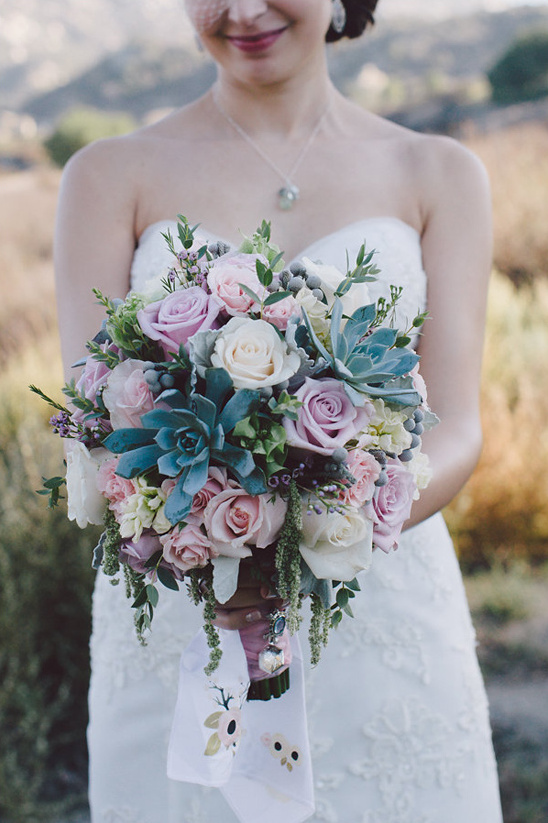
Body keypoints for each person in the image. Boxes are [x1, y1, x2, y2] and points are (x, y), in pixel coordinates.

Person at [54, 1, 504, 821]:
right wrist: (214, 539)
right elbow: (96, 422)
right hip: (182, 610)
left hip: (379, 600)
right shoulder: (108, 174)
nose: (244, 10)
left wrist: (315, 531)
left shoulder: (438, 172)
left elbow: (461, 426)